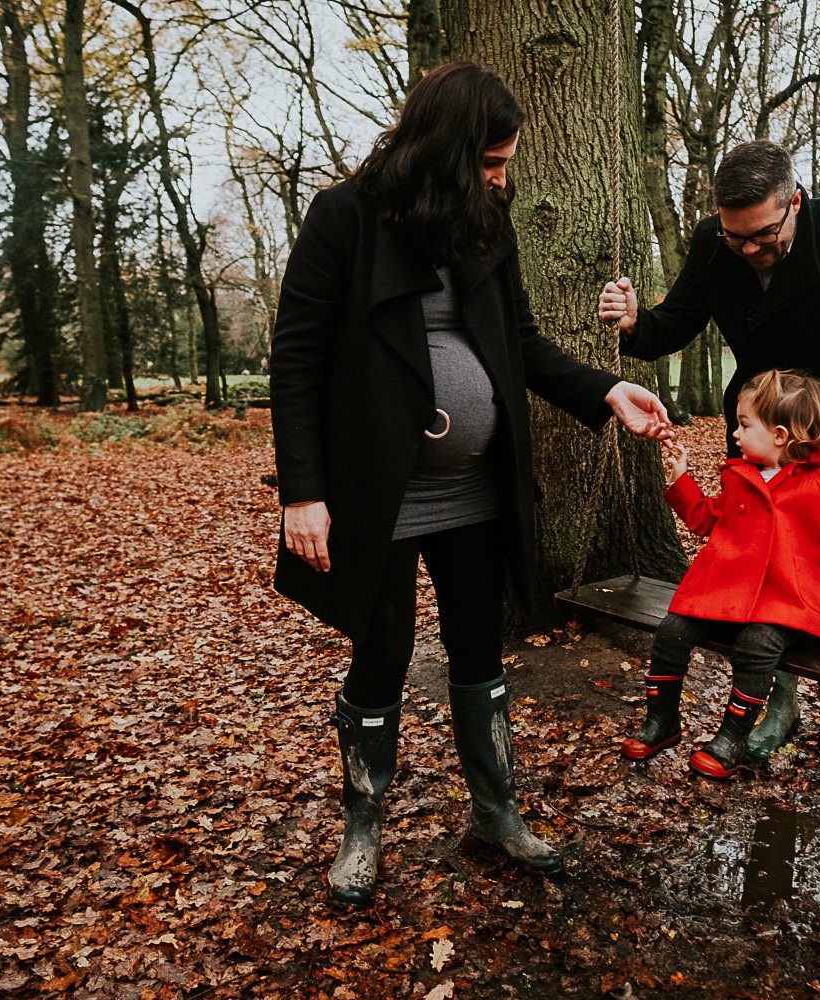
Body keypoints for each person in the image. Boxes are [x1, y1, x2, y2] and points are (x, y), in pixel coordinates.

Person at [272, 61, 673, 908]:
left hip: (477, 493)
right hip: (380, 493)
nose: (503, 179)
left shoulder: (487, 225)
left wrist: (605, 389)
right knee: (379, 655)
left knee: (480, 651)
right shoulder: (345, 217)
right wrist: (301, 491)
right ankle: (364, 827)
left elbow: (519, 342)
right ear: (444, 151)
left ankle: (495, 813)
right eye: (490, 163)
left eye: (506, 163)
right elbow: (297, 358)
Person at [597, 140, 820, 785]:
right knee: (762, 585)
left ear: (795, 201)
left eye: (762, 236)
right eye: (736, 240)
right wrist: (633, 320)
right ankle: (776, 711)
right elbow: (669, 329)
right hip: (758, 441)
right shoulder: (714, 243)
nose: (748, 250)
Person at [622, 370, 820, 778]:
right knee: (671, 630)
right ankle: (662, 721)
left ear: (780, 435)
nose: (734, 433)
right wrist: (681, 483)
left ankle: (731, 737)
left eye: (744, 425)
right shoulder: (738, 474)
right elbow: (707, 519)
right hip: (725, 593)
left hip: (788, 601)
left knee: (757, 645)